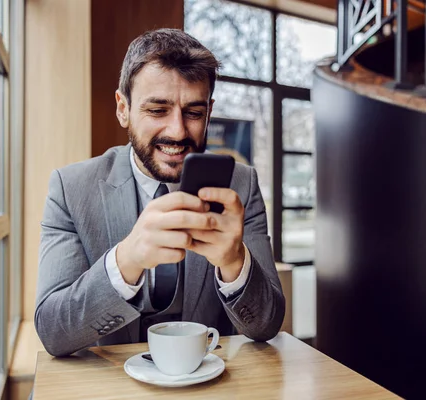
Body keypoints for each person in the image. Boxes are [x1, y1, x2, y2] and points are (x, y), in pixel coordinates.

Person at [35, 28, 285, 357]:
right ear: (122, 108)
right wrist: (127, 261)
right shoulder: (70, 188)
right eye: (157, 111)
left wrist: (234, 262)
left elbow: (266, 326)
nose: (178, 131)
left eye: (194, 113)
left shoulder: (241, 185)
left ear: (209, 112)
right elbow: (54, 332)